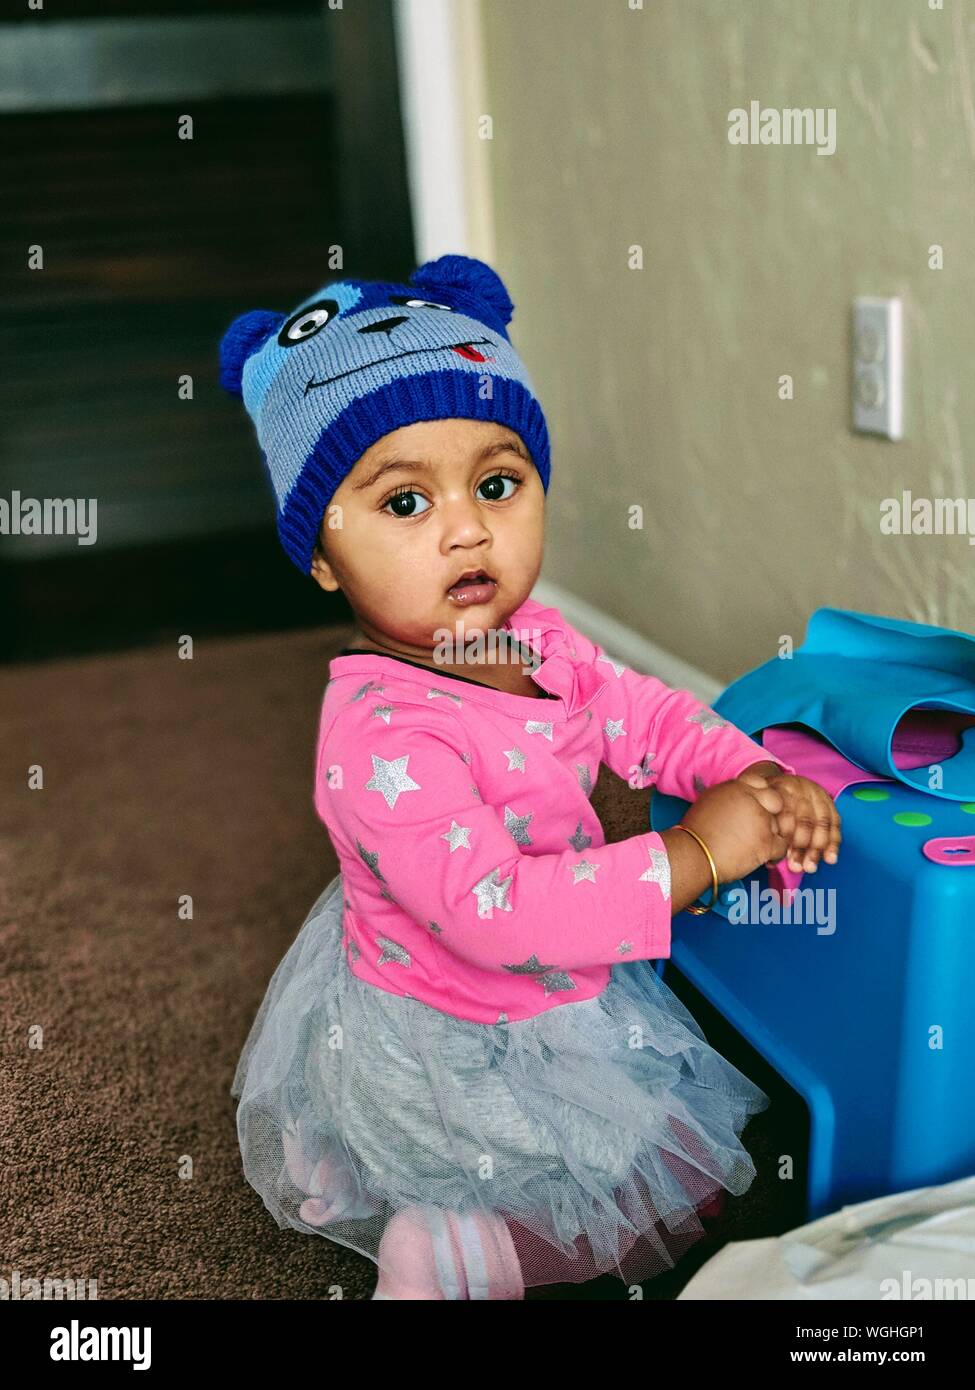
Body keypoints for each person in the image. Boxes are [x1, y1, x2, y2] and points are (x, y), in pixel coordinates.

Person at [220, 254, 841, 1299]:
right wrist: (696, 849)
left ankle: (377, 1162)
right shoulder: (377, 735)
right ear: (321, 555)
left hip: (556, 968)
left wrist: (752, 772)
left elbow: (644, 715)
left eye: (497, 484)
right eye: (406, 501)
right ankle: (465, 1247)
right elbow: (498, 914)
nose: (468, 527)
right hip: (456, 1026)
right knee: (682, 1177)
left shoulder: (538, 641)